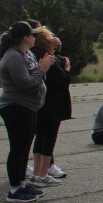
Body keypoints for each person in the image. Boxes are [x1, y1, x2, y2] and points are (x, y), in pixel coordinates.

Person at [0, 22, 54, 203]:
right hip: (16, 107)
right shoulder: (13, 56)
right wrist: (42, 70)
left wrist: (43, 68)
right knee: (18, 149)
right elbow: (25, 83)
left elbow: (35, 76)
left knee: (24, 149)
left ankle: (22, 184)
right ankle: (14, 190)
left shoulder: (26, 53)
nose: (35, 37)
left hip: (28, 107)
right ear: (25, 37)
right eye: (32, 34)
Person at [28, 27, 71, 188]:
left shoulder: (31, 55)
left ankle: (36, 173)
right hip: (52, 104)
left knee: (39, 137)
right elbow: (62, 80)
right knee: (48, 139)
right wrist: (67, 69)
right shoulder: (47, 57)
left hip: (39, 104)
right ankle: (42, 174)